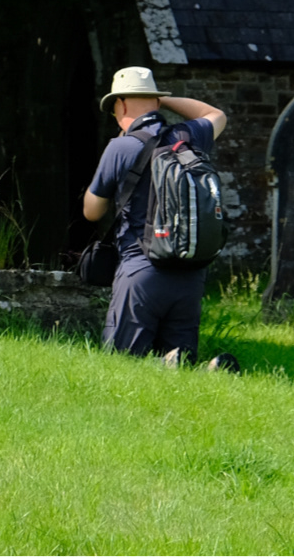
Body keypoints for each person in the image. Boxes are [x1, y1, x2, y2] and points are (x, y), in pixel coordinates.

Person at [82, 66, 233, 368]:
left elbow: (92, 211)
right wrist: (162, 100)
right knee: (180, 366)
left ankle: (176, 366)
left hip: (141, 271)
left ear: (121, 104)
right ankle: (208, 369)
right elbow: (217, 114)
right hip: (190, 273)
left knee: (121, 365)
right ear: (154, 100)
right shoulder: (190, 136)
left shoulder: (121, 146)